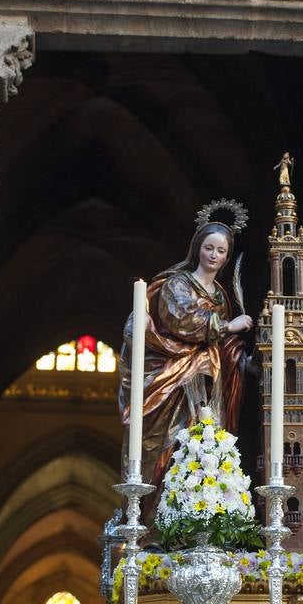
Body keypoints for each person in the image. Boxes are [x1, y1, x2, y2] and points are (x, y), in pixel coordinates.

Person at [119, 201, 253, 514]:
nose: (214, 256)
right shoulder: (177, 283)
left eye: (221, 251)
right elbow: (181, 320)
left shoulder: (219, 293)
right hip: (170, 377)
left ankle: (196, 512)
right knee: (165, 445)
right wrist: (226, 326)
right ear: (197, 249)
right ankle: (151, 518)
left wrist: (239, 357)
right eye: (209, 248)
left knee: (199, 444)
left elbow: (222, 346)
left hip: (206, 382)